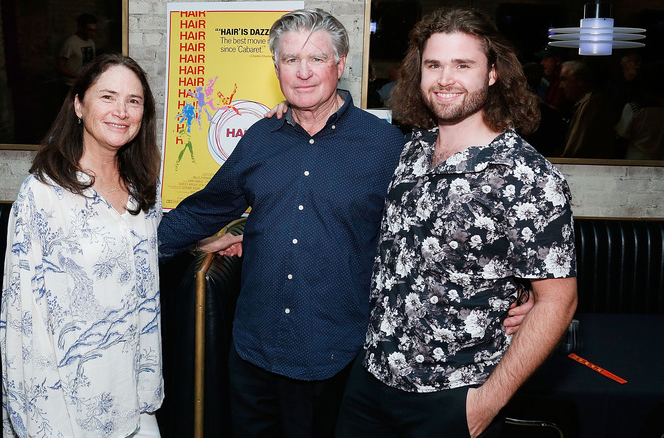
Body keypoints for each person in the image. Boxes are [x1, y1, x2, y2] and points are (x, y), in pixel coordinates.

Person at [158, 8, 530, 438]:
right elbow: (205, 210)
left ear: (341, 63)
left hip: (337, 357)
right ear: (275, 67)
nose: (302, 72)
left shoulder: (389, 147)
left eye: (316, 59)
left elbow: (444, 226)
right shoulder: (260, 138)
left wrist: (522, 289)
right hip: (253, 351)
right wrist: (131, 247)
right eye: (290, 60)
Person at [334, 7, 578, 438]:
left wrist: (485, 404)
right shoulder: (412, 149)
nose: (446, 78)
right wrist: (294, 112)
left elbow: (558, 302)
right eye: (434, 65)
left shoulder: (527, 177)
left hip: (454, 396)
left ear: (492, 73)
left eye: (463, 64)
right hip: (370, 381)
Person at [1, 53, 163, 437]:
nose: (121, 111)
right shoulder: (43, 195)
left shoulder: (141, 186)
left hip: (134, 397)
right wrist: (45, 419)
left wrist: (214, 240)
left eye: (134, 101)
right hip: (69, 406)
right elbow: (24, 317)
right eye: (107, 97)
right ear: (78, 104)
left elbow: (144, 251)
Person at [559, 60, 618, 158]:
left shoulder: (590, 103)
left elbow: (575, 144)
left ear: (579, 81)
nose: (560, 86)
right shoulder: (586, 101)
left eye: (564, 80)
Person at [56, 14, 98, 93]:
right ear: (80, 28)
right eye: (89, 30)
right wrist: (77, 76)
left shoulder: (91, 42)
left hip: (85, 84)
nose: (93, 33)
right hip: (70, 85)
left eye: (94, 30)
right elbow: (59, 66)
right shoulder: (71, 42)